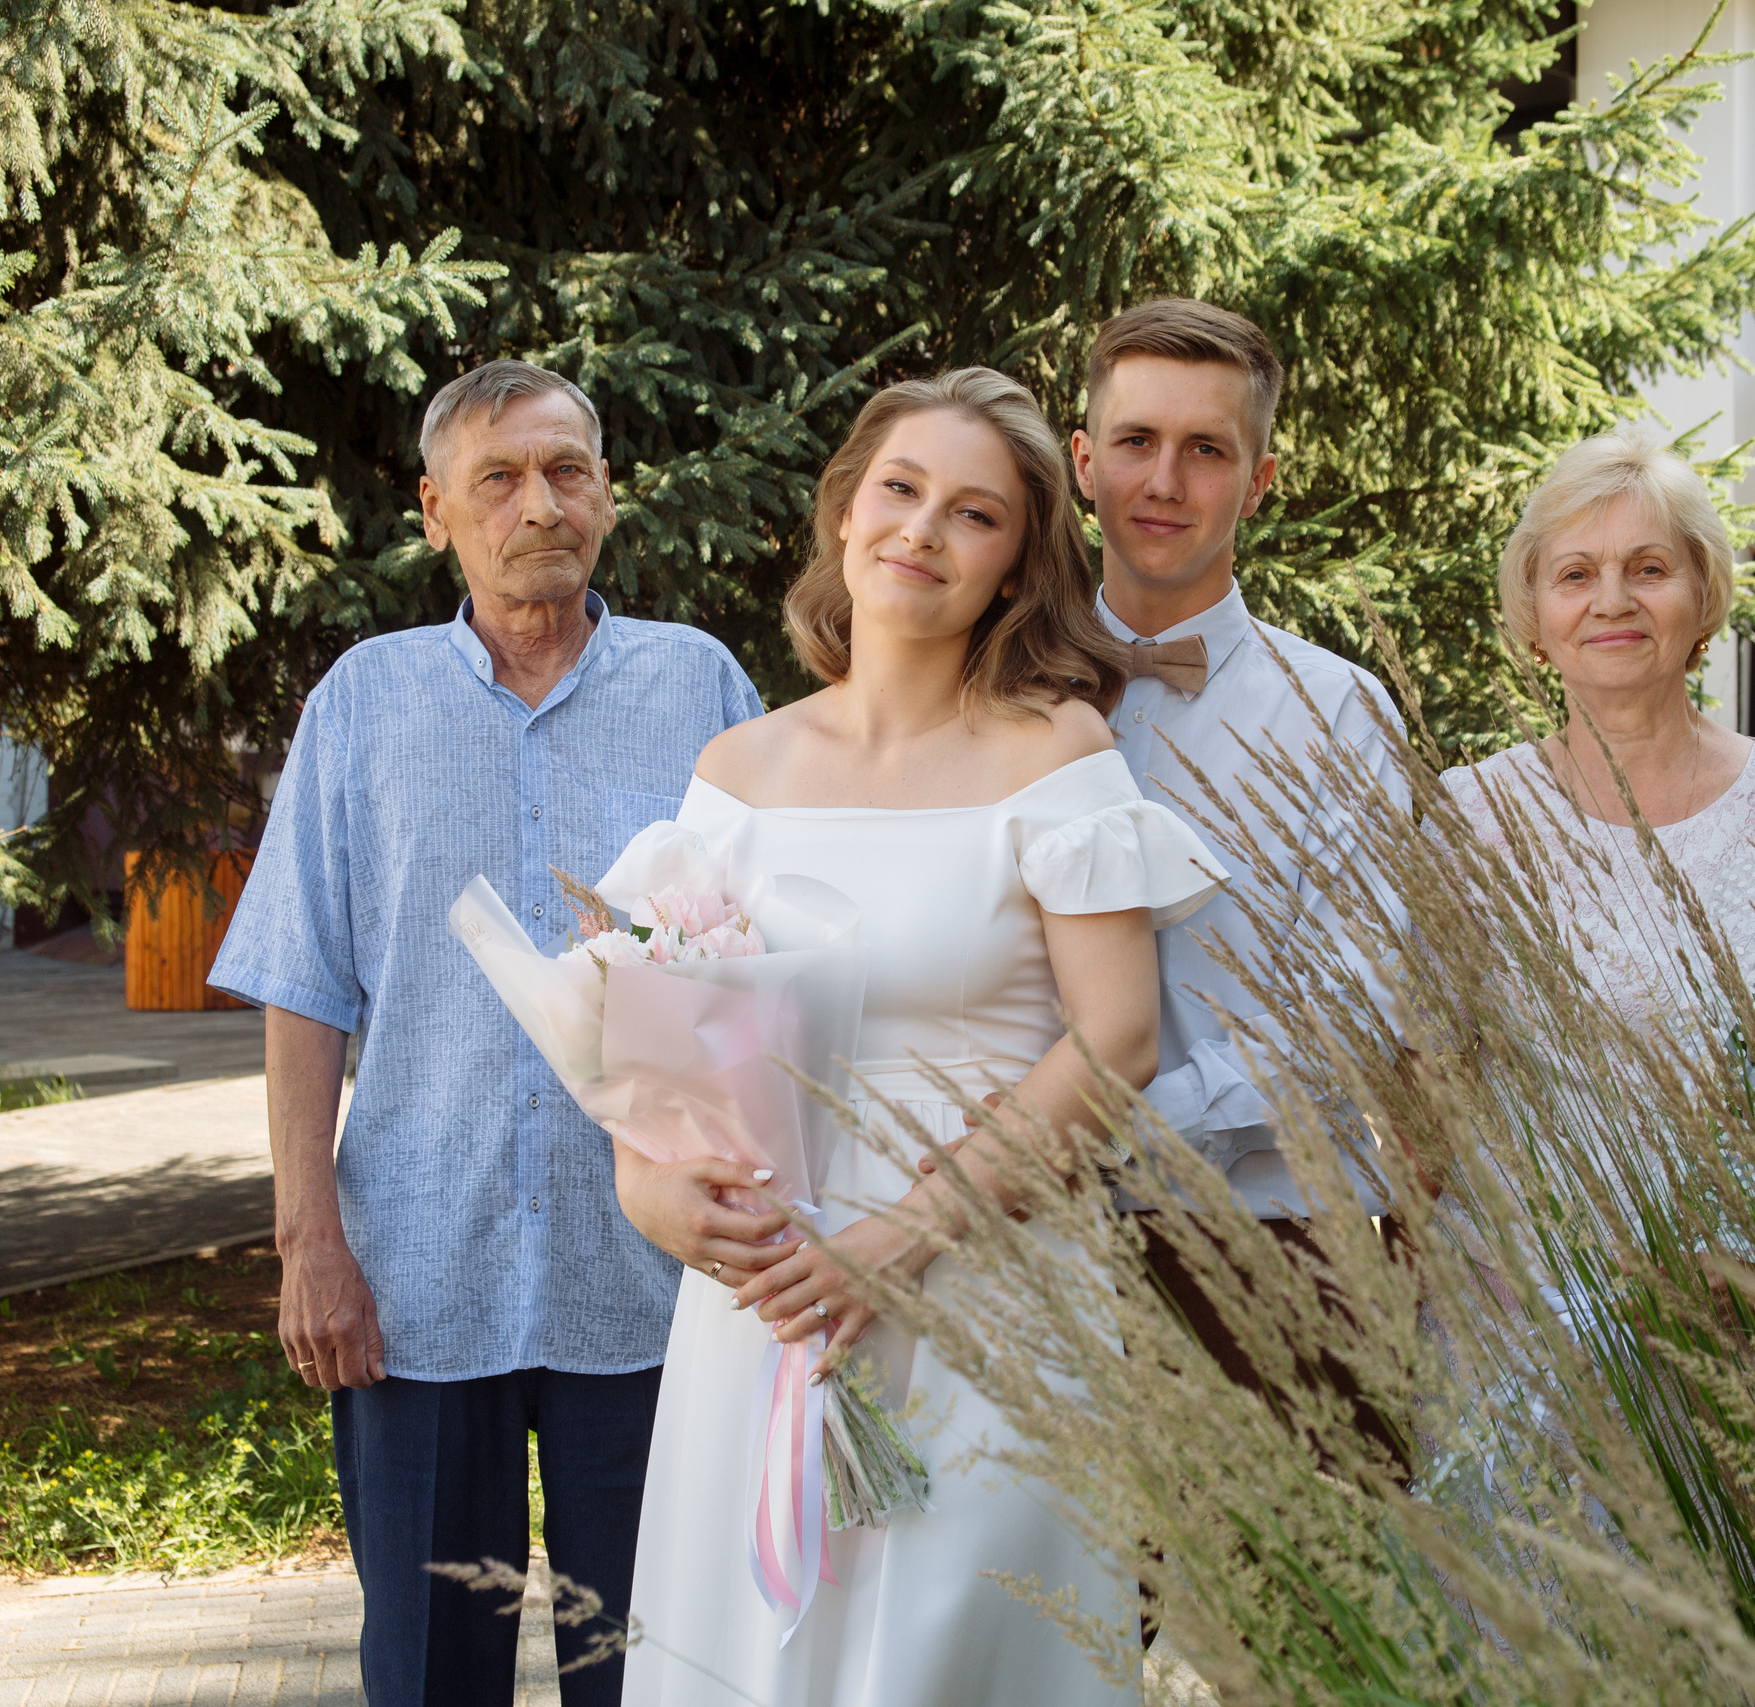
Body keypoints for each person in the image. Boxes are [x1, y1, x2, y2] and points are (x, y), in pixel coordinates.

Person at [609, 367, 1224, 1705]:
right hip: (768, 1301)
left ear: (1013, 567)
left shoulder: (1052, 752)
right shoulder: (736, 774)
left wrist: (893, 1242)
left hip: (986, 1286)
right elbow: (657, 1074)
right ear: (845, 515)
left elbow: (1115, 1040)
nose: (923, 531)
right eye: (900, 490)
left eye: (975, 514)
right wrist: (657, 1194)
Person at [208, 361, 762, 1707]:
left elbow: (766, 972)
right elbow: (305, 987)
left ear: (611, 496)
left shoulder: (702, 688)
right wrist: (309, 1243)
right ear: (436, 509)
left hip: (653, 1278)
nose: (540, 503)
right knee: (427, 1669)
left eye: (568, 470)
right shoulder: (361, 703)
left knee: (652, 1665)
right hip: (413, 1276)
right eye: (500, 478)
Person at [1068, 297, 1416, 1408]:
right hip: (1019, 1255)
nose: (1164, 481)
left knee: (1285, 1586)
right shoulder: (989, 693)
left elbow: (1353, 1013)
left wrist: (1100, 1141)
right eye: (1135, 442)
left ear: (1258, 482)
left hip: (1272, 1257)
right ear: (1083, 462)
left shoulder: (1339, 714)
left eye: (1205, 450)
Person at [1438, 427, 1755, 1019]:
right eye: (1576, 574)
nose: (1612, 601)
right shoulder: (1475, 813)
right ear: (1534, 611)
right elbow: (1430, 1065)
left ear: (1704, 594)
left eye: (1649, 569)